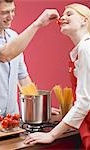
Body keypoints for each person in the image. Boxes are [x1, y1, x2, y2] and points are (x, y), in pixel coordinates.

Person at [24, 3, 90, 150]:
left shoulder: (86, 49)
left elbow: (85, 101)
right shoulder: (80, 50)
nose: (63, 17)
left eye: (69, 14)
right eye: (63, 15)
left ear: (84, 21)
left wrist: (52, 134)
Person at [0, 0, 59, 116]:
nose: (10, 16)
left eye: (13, 11)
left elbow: (22, 77)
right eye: (4, 12)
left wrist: (39, 107)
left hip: (12, 118)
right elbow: (4, 55)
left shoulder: (13, 36)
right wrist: (37, 24)